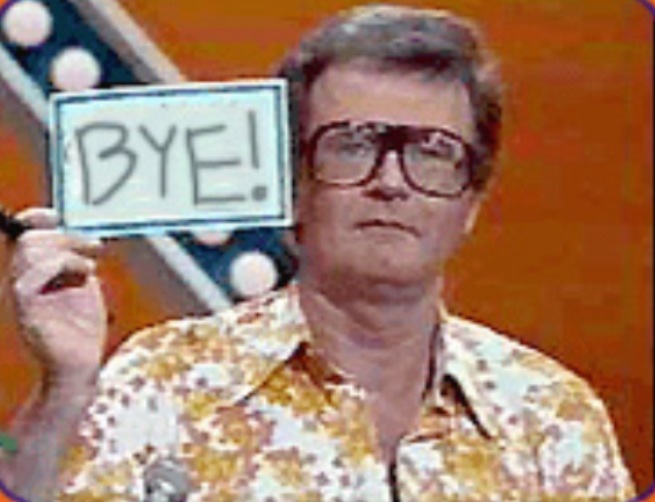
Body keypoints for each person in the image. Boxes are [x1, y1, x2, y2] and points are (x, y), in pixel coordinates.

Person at [0, 5, 635, 501]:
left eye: (432, 151)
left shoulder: (553, 416)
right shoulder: (157, 381)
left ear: (471, 200)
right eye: (352, 143)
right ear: (293, 183)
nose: (391, 181)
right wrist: (64, 389)